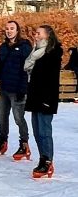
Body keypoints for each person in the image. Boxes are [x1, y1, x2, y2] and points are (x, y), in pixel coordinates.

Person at [0, 20, 32, 159]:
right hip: (4, 88)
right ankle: (2, 142)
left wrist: (23, 89)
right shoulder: (3, 47)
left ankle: (24, 144)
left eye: (12, 28)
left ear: (17, 30)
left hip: (17, 89)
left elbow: (27, 70)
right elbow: (0, 66)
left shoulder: (25, 47)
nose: (9, 31)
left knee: (19, 118)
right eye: (7, 28)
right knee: (2, 117)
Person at [25, 25, 63, 178]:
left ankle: (47, 161)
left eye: (38, 33)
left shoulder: (52, 53)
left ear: (47, 36)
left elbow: (52, 80)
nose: (36, 35)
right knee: (36, 131)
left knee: (44, 132)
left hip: (46, 98)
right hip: (35, 97)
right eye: (36, 33)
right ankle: (42, 158)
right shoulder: (36, 51)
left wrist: (47, 100)